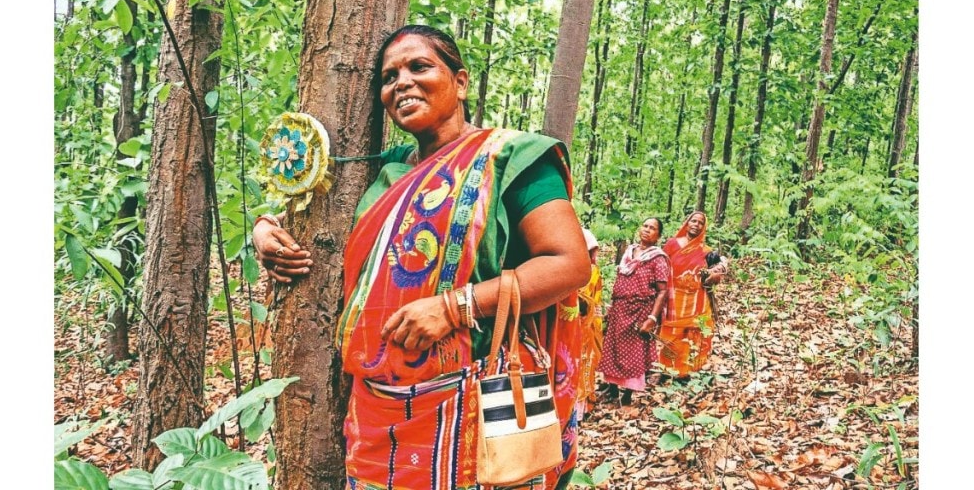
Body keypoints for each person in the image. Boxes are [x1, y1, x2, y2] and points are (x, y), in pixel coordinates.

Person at [253, 24, 590, 489]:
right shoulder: (383, 170)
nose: (401, 83)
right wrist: (264, 229)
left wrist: (455, 307)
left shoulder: (512, 157)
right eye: (389, 77)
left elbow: (569, 265)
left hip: (476, 406)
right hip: (375, 414)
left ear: (461, 81)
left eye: (419, 66)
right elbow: (308, 204)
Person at [595, 218, 671, 407]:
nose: (647, 230)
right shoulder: (629, 252)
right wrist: (611, 306)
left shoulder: (658, 258)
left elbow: (662, 291)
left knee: (635, 351)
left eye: (652, 228)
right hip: (620, 308)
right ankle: (612, 390)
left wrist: (652, 318)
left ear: (658, 236)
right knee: (612, 349)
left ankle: (627, 395)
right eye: (645, 226)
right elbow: (620, 278)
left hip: (640, 310)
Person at [655, 211, 728, 378]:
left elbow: (718, 273)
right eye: (693, 221)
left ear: (704, 227)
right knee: (672, 335)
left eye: (700, 222)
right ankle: (667, 371)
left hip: (697, 299)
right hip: (675, 299)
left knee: (694, 333)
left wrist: (715, 275)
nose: (696, 224)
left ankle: (687, 372)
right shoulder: (672, 244)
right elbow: (660, 266)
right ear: (687, 223)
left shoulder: (707, 251)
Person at [575, 228, 604, 419]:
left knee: (584, 363)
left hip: (585, 327)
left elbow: (595, 300)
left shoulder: (593, 271)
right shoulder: (564, 269)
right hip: (566, 325)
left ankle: (581, 409)